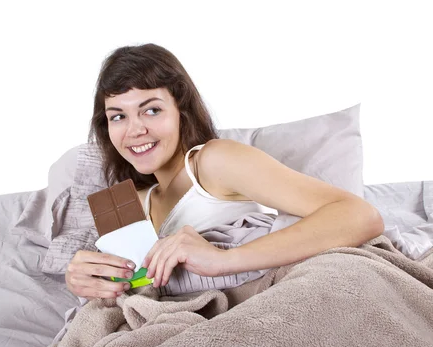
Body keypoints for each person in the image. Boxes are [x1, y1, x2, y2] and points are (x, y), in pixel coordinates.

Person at [65, 43, 384, 300]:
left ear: (181, 111)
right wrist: (85, 281)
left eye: (151, 110)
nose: (135, 129)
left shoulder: (213, 161)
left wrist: (223, 260)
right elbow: (133, 290)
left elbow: (361, 215)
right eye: (118, 116)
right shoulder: (127, 203)